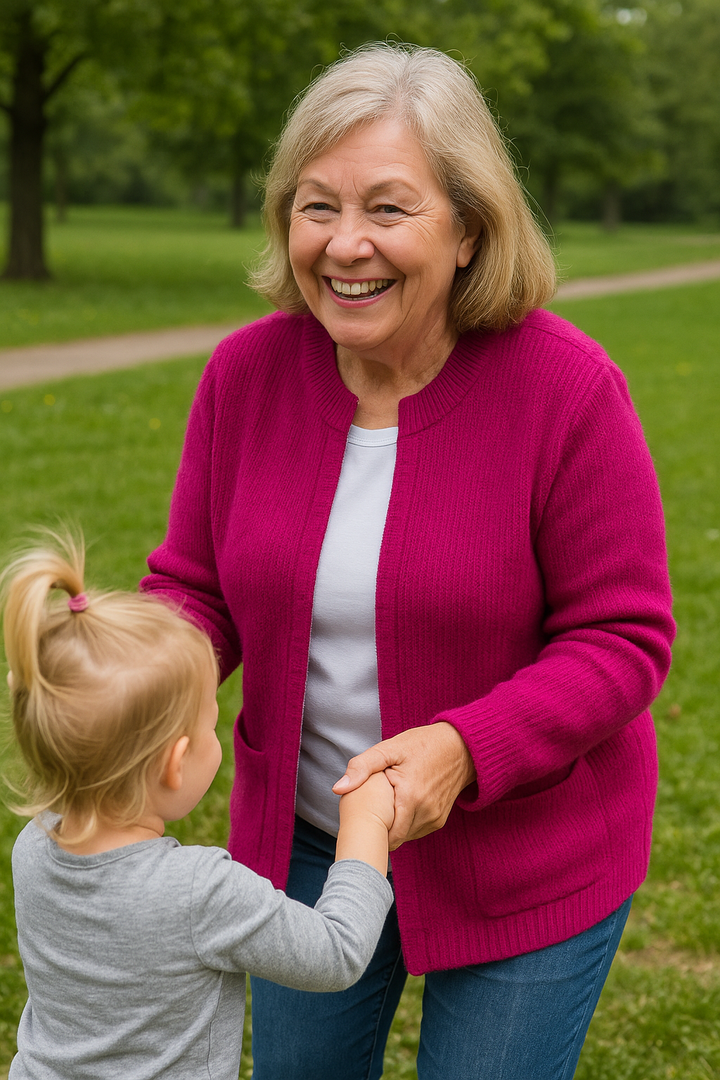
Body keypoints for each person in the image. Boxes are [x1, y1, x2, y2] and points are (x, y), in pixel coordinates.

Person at [142, 42, 675, 1080]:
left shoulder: (567, 390)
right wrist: (130, 660)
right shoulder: (246, 376)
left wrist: (464, 749)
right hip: (307, 839)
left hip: (528, 852)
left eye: (389, 209)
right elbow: (195, 589)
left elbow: (624, 638)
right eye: (316, 206)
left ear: (470, 229)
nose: (346, 245)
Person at [2, 532, 395, 1080]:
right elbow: (337, 953)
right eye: (210, 721)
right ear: (175, 761)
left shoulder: (33, 847)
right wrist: (365, 826)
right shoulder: (202, 890)